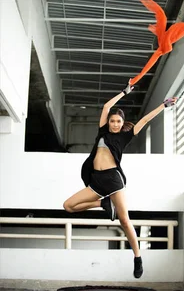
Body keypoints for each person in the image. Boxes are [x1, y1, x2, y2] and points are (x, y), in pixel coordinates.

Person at [62, 82, 177, 278]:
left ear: (122, 124)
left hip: (113, 180)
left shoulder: (125, 136)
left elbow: (145, 119)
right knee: (68, 206)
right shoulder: (102, 132)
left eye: (118, 122)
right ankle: (102, 203)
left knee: (124, 219)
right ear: (109, 122)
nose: (115, 124)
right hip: (96, 181)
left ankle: (138, 257)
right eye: (113, 121)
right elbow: (107, 107)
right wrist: (124, 92)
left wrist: (163, 106)